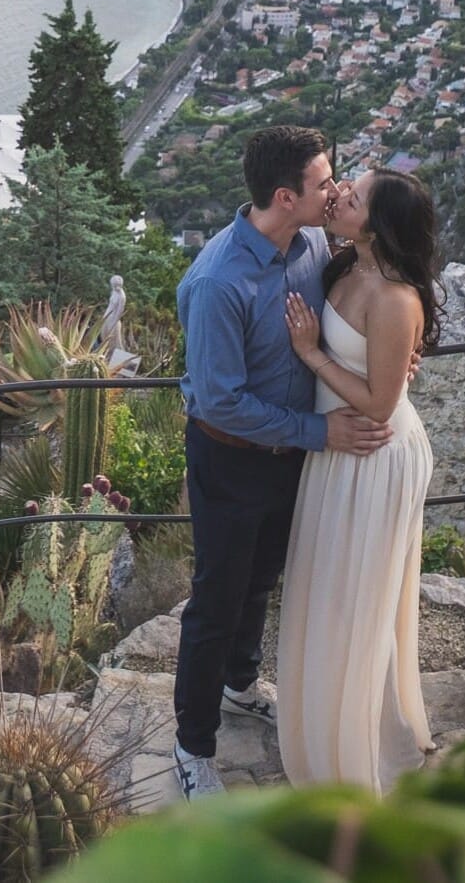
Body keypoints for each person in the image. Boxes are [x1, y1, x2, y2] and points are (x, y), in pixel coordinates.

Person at [170, 126, 393, 799]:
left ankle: (240, 685)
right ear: (283, 194)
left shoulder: (310, 246)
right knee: (215, 600)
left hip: (288, 456)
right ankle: (192, 746)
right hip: (231, 459)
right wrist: (317, 431)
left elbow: (371, 294)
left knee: (260, 578)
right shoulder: (217, 281)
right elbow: (218, 401)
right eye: (324, 182)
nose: (335, 191)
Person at [277, 167, 440, 791]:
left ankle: (361, 748)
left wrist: (313, 353)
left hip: (374, 453)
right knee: (335, 590)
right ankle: (340, 724)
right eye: (347, 184)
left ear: (379, 224)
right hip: (336, 449)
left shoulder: (395, 297)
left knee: (356, 600)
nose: (341, 192)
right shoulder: (341, 261)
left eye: (356, 195)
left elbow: (378, 403)